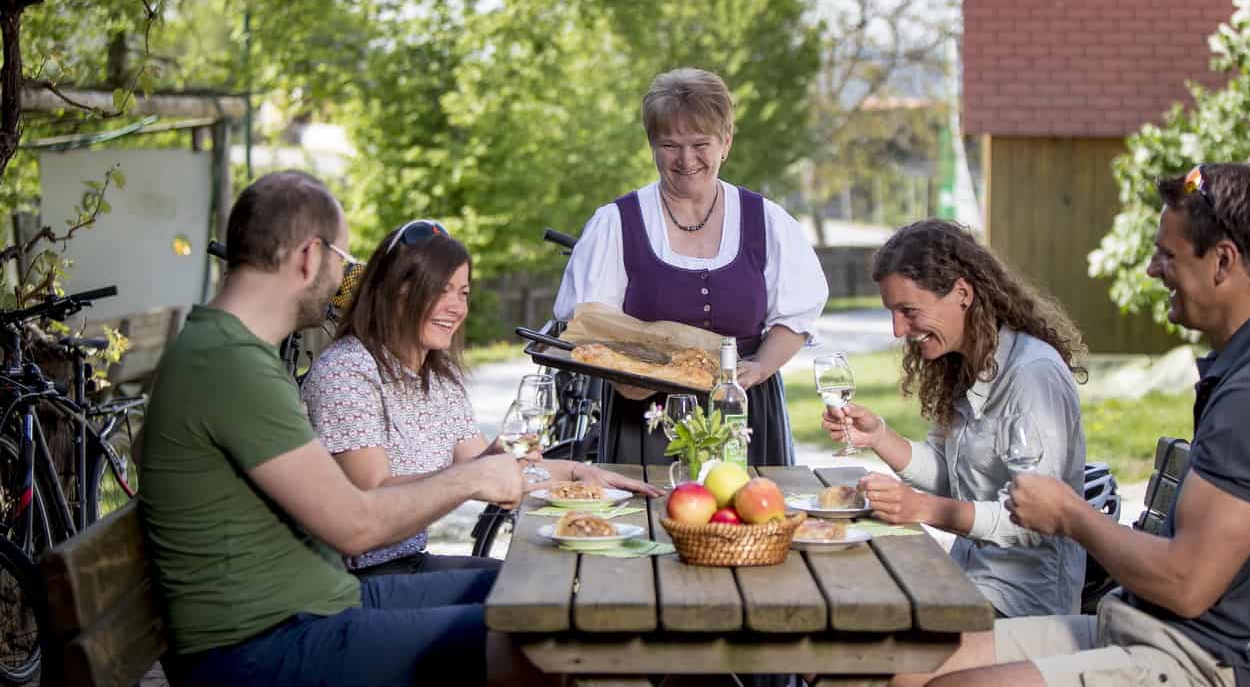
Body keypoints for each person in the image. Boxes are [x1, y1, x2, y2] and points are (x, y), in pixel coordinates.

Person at [138, 171, 551, 686]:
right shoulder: (228, 366)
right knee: (536, 635)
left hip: (313, 604)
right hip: (260, 646)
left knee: (537, 597)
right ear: (310, 256)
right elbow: (357, 524)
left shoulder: (232, 355)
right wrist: (471, 478)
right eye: (342, 259)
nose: (344, 278)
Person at [903, 163, 1250, 687]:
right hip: (1138, 623)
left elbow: (1185, 583)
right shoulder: (1248, 364)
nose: (1151, 269)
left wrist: (1070, 514)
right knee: (906, 666)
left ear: (1223, 262)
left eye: (1167, 255)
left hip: (1207, 657)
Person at [301, 218, 662, 578]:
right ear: (394, 291)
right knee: (527, 595)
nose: (456, 307)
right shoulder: (348, 372)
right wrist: (473, 475)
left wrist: (580, 473)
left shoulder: (439, 376)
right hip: (355, 580)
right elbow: (371, 496)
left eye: (463, 293)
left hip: (410, 563)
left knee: (542, 578)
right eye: (439, 290)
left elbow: (479, 463)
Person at [554, 67, 828, 468]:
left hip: (745, 414)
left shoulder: (767, 221)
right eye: (670, 145)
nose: (686, 160)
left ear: (726, 143)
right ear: (651, 145)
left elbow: (796, 316)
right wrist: (630, 379)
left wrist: (760, 367)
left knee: (751, 527)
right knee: (647, 527)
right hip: (646, 418)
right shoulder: (616, 223)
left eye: (701, 143)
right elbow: (586, 326)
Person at [822, 219, 1088, 618]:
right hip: (969, 575)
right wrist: (879, 437)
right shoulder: (965, 367)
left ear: (962, 293)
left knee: (858, 638)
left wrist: (925, 509)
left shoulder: (1033, 374)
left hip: (1024, 602)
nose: (898, 330)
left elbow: (1037, 520)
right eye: (893, 313)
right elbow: (952, 477)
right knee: (839, 608)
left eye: (908, 311)